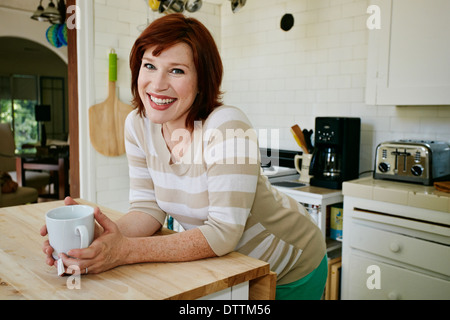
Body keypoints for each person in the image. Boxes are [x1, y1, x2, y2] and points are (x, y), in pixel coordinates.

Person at [41, 13, 327, 300]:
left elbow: (222, 231)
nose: (157, 84)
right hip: (229, 267)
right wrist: (88, 239)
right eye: (149, 66)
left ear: (202, 80)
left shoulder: (227, 126)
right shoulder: (137, 125)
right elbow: (147, 208)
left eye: (176, 71)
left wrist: (125, 251)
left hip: (292, 265)